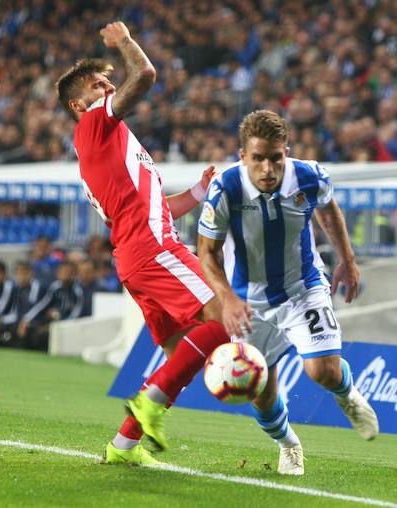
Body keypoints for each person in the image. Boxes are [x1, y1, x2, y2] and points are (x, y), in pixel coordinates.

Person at [55, 21, 229, 466]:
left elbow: (152, 207)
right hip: (156, 251)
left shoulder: (107, 144)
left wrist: (195, 192)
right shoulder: (95, 123)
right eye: (98, 83)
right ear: (79, 103)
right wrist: (124, 41)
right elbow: (147, 75)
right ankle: (147, 405)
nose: (109, 84)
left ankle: (124, 446)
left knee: (179, 360)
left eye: (107, 79)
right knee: (226, 319)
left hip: (137, 257)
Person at [197, 109, 378, 476]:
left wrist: (347, 258)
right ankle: (288, 445)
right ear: (242, 156)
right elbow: (207, 252)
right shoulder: (226, 188)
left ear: (286, 152)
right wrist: (228, 299)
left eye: (275, 158)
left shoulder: (309, 175)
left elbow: (328, 211)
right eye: (258, 159)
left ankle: (348, 396)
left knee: (322, 372)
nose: (268, 168)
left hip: (302, 289)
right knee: (260, 393)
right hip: (249, 302)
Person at [18, 260, 84, 351]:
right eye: (62, 272)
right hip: (52, 322)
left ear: (74, 274)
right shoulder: (55, 287)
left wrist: (60, 321)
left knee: (44, 334)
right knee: (30, 328)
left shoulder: (77, 291)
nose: (64, 274)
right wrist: (26, 319)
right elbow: (42, 305)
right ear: (58, 273)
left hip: (69, 325)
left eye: (68, 272)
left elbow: (76, 313)